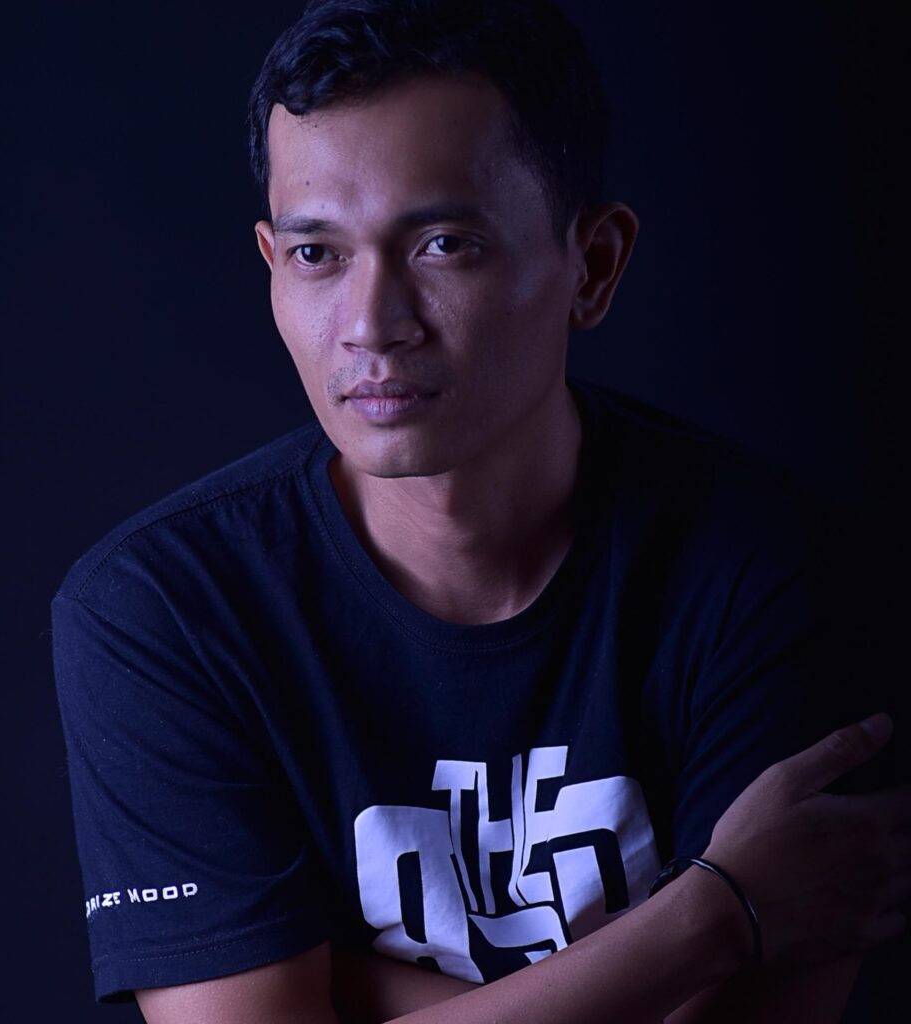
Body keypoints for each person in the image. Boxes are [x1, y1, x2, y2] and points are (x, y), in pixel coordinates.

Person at [52, 1, 910, 1021]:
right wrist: (712, 917)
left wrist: (327, 982)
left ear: (592, 265)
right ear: (272, 265)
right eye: (318, 255)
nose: (371, 324)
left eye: (444, 243)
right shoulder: (165, 608)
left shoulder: (774, 573)